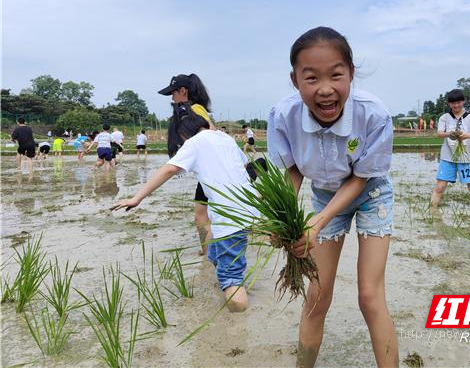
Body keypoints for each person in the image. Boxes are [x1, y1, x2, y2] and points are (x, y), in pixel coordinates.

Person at [267, 27, 398, 368]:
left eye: (336, 76)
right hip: (325, 193)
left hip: (370, 190)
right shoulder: (284, 116)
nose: (325, 90)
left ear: (351, 74)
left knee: (369, 296)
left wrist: (317, 223)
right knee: (316, 296)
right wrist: (281, 220)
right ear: (295, 81)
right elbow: (291, 170)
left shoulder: (373, 114)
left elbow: (360, 179)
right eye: (311, 78)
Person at [112, 121, 257, 312]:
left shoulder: (195, 142)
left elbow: (169, 169)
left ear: (182, 135)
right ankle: (231, 281)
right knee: (214, 253)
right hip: (245, 209)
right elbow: (245, 167)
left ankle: (238, 325)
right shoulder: (225, 138)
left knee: (231, 277)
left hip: (230, 217)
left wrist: (137, 198)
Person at [158, 73, 216, 254]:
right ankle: (207, 252)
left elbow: (210, 132)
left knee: (203, 215)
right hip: (208, 171)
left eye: (173, 94)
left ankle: (208, 255)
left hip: (212, 171)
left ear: (183, 91)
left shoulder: (194, 109)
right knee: (201, 213)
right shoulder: (194, 109)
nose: (172, 99)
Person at [430, 89, 470, 208]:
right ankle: (432, 212)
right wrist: (449, 134)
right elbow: (439, 133)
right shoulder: (445, 117)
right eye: (453, 103)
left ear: (463, 102)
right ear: (449, 104)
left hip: (466, 158)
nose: (456, 105)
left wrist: (466, 136)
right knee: (440, 186)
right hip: (447, 157)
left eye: (458, 102)